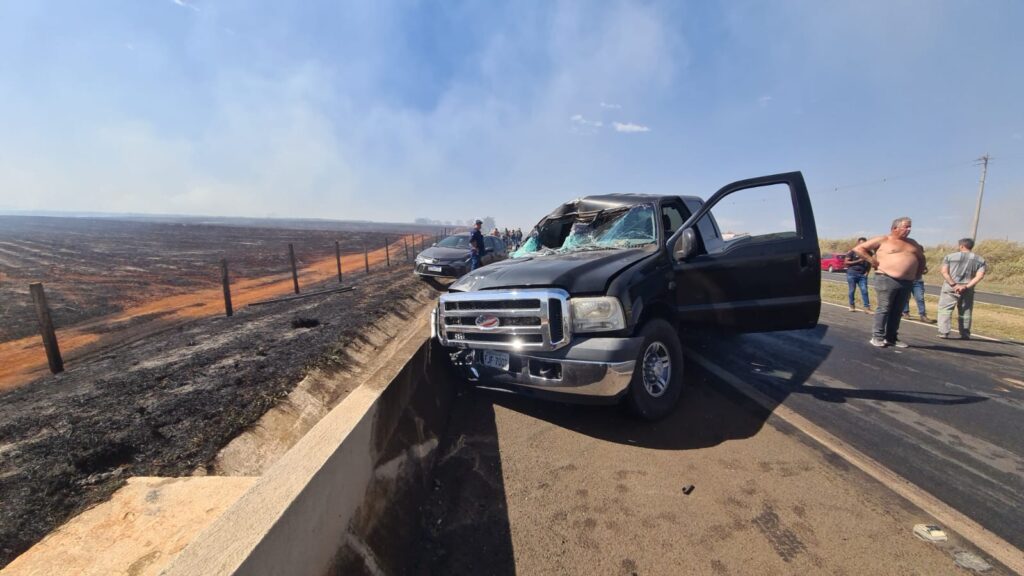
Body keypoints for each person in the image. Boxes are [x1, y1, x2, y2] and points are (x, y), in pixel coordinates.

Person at [853, 217, 927, 348]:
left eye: (910, 227)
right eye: (906, 227)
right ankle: (877, 336)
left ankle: (892, 337)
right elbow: (859, 249)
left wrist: (918, 273)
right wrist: (872, 260)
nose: (909, 229)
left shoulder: (913, 243)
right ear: (895, 228)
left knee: (898, 310)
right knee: (885, 307)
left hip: (907, 281)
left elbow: (921, 258)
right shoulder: (884, 240)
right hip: (886, 278)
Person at [938, 238, 987, 340]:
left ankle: (944, 331)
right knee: (965, 311)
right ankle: (965, 333)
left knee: (945, 309)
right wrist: (966, 286)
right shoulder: (980, 260)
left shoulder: (949, 257)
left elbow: (944, 272)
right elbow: (980, 276)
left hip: (950, 286)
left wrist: (953, 284)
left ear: (961, 246)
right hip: (967, 287)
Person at [845, 237, 871, 312]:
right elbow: (846, 262)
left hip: (862, 275)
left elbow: (869, 263)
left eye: (864, 244)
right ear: (858, 243)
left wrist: (867, 272)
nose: (863, 245)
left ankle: (867, 307)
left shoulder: (869, 253)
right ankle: (852, 305)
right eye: (861, 243)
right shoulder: (852, 252)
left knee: (864, 291)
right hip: (852, 273)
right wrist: (858, 261)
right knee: (852, 290)